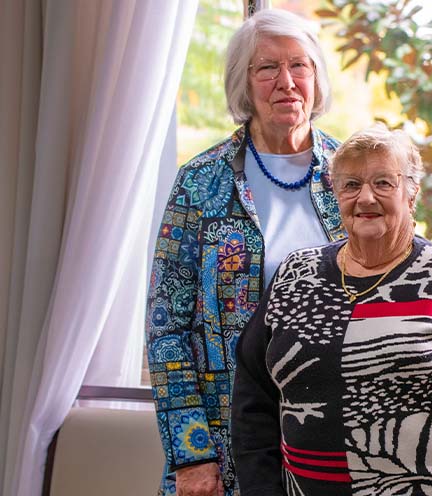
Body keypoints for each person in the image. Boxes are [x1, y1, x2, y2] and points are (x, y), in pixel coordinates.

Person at [231, 124, 432, 496]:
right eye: (351, 184)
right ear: (336, 193)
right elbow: (252, 399)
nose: (365, 198)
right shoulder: (294, 274)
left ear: (411, 193)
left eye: (383, 183)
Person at [145, 9, 346, 496]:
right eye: (267, 68)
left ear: (316, 77)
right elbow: (166, 330)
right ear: (244, 82)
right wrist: (192, 454)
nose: (286, 82)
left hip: (333, 439)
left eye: (299, 65)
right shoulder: (200, 182)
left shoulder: (350, 177)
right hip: (225, 440)